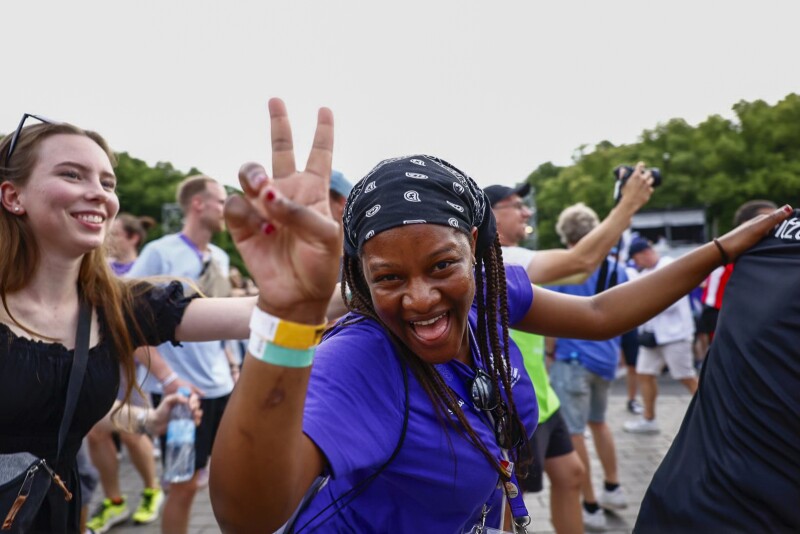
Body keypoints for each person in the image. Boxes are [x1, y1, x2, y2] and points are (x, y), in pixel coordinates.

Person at [206, 98, 790, 533]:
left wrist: (721, 250)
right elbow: (249, 516)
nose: (420, 298)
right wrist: (286, 314)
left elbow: (602, 311)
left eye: (441, 266)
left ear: (480, 252)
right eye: (388, 277)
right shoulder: (361, 357)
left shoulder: (493, 293)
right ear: (360, 278)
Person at [0, 115, 255, 533]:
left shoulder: (114, 306)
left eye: (107, 182)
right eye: (72, 174)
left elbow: (262, 313)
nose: (99, 194)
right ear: (13, 196)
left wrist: (148, 422)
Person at [486, 177, 650, 534]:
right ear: (491, 217)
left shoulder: (515, 258)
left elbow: (580, 269)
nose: (526, 211)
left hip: (543, 398)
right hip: (514, 405)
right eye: (516, 205)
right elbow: (581, 261)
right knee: (509, 506)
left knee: (571, 474)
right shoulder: (498, 259)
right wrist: (628, 204)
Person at [635, 208, 800, 532]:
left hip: (679, 501)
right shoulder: (769, 238)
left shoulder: (769, 236)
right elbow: (595, 313)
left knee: (690, 377)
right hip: (736, 505)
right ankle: (649, 416)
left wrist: (721, 249)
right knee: (654, 375)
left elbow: (597, 314)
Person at [128, 174, 237, 534]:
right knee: (182, 485)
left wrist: (234, 366)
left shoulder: (219, 256)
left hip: (222, 389)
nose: (226, 209)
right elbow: (127, 323)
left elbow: (222, 320)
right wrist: (169, 379)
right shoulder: (159, 252)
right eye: (221, 201)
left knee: (226, 479)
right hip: (181, 396)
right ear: (198, 204)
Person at [545, 203, 629, 531]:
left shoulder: (563, 268)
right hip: (606, 358)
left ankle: (590, 503)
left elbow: (549, 320)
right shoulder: (614, 266)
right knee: (600, 423)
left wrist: (550, 355)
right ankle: (614, 486)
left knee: (574, 431)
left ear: (566, 234)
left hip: (572, 359)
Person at [85, 211, 166, 534]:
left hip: (133, 364)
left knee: (132, 431)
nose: (107, 235)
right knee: (96, 432)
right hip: (96, 361)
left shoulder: (142, 273)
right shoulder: (93, 268)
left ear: (133, 238)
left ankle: (152, 491)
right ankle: (114, 502)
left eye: (114, 231)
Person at [623, 237, 697, 434]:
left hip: (675, 334)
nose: (636, 264)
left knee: (686, 376)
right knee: (644, 373)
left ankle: (715, 416)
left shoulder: (669, 266)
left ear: (645, 253)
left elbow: (670, 299)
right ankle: (649, 419)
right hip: (652, 336)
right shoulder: (646, 273)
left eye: (636, 259)